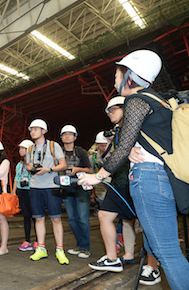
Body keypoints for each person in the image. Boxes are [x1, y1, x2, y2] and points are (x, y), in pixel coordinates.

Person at [79, 50, 189, 289]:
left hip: (149, 178)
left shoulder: (136, 100)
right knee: (156, 244)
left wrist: (96, 176)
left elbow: (122, 147)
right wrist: (129, 149)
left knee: (166, 251)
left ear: (130, 75)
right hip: (164, 178)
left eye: (117, 75)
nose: (115, 81)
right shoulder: (160, 101)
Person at [86, 96, 137, 273]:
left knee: (144, 223)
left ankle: (152, 265)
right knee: (112, 217)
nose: (109, 114)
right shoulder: (120, 131)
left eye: (113, 109)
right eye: (108, 111)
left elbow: (123, 153)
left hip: (135, 181)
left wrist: (98, 176)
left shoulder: (135, 128)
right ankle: (115, 257)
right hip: (121, 181)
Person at [26, 119, 68, 265]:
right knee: (38, 218)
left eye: (36, 129)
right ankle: (41, 248)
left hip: (51, 186)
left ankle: (60, 249)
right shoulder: (30, 148)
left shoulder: (53, 145)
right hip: (35, 186)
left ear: (44, 131)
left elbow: (63, 165)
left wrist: (49, 169)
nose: (32, 132)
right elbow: (28, 165)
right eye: (31, 129)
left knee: (55, 218)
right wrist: (30, 167)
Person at [60, 125, 93, 259]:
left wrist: (77, 169)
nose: (67, 136)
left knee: (83, 219)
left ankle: (85, 247)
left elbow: (90, 170)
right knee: (72, 220)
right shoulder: (59, 153)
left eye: (70, 134)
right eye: (64, 134)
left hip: (80, 189)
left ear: (75, 137)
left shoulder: (81, 152)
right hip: (66, 190)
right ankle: (79, 245)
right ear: (61, 137)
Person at [12, 140, 37, 252]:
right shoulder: (19, 165)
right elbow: (17, 178)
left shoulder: (34, 163)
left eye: (23, 148)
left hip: (32, 191)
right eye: (20, 148)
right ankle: (27, 241)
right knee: (26, 216)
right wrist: (13, 192)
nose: (20, 150)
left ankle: (38, 241)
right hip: (22, 192)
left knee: (35, 217)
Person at [89, 131, 111, 208]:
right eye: (102, 145)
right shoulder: (92, 158)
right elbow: (91, 174)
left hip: (114, 189)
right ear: (97, 145)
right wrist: (93, 193)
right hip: (100, 191)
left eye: (106, 145)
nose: (104, 148)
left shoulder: (114, 156)